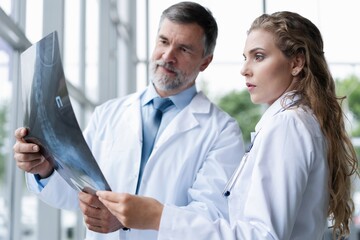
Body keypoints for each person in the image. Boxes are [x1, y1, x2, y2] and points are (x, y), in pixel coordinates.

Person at [96, 11, 359, 240]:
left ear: (296, 63)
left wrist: (159, 217)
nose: (245, 69)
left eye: (259, 56)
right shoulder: (296, 121)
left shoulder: (288, 125)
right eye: (245, 57)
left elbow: (261, 236)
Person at [13, 2, 245, 240]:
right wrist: (45, 169)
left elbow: (211, 217)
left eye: (184, 49)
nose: (168, 56)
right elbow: (77, 193)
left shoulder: (222, 132)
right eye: (163, 41)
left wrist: (131, 219)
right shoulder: (107, 114)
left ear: (205, 61)